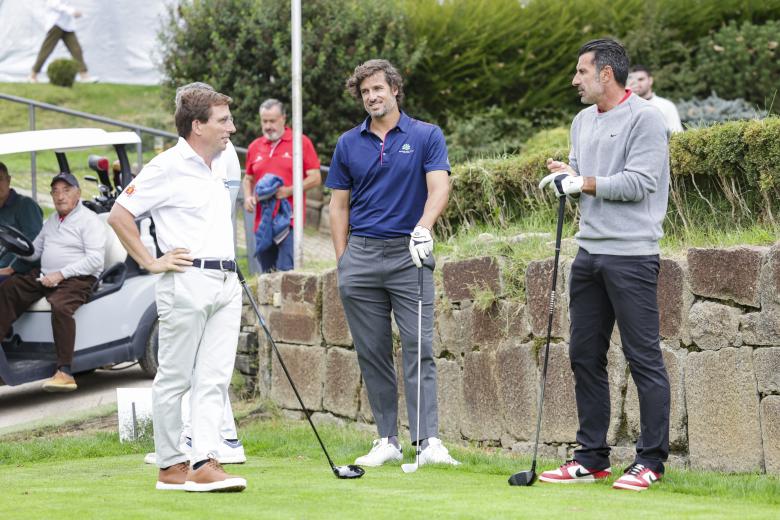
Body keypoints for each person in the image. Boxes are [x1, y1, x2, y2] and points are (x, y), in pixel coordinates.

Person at [537, 38, 671, 492]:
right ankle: (592, 458)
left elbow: (639, 182)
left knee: (643, 358)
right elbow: (580, 173)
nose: (575, 80)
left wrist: (582, 182)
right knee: (584, 355)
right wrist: (565, 174)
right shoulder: (580, 120)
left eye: (581, 71)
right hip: (589, 253)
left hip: (633, 255)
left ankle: (651, 460)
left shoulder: (645, 119)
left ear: (605, 75)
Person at [108, 83, 246, 492]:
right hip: (186, 280)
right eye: (223, 121)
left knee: (215, 378)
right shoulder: (165, 166)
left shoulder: (222, 162)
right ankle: (171, 466)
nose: (232, 129)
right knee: (175, 377)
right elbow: (119, 215)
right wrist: (151, 261)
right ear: (197, 125)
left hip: (226, 280)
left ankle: (204, 460)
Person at [326, 59, 459, 468]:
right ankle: (387, 439)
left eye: (378, 89)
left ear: (395, 89)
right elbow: (338, 206)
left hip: (410, 254)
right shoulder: (348, 143)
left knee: (419, 347)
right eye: (365, 92)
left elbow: (440, 186)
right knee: (372, 352)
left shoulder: (425, 136)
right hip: (361, 257)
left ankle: (427, 441)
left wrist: (423, 227)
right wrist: (344, 260)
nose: (372, 97)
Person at [0, 172, 105, 391]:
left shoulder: (89, 220)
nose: (60, 196)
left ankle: (65, 371)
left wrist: (61, 274)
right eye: (55, 191)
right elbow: (35, 251)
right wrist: (15, 247)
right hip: (47, 274)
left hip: (79, 277)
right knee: (9, 289)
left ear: (78, 193)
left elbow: (95, 259)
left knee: (61, 305)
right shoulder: (51, 222)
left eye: (66, 190)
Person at [242, 99, 321, 272]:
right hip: (262, 223)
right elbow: (248, 178)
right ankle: (268, 300)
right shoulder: (254, 146)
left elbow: (315, 177)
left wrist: (289, 191)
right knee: (267, 274)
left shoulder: (301, 142)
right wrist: (248, 197)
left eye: (272, 121)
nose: (268, 126)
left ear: (283, 119)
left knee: (287, 273)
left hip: (289, 220)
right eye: (264, 121)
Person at [29, 0, 97, 83]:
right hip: (56, 25)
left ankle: (84, 76)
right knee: (46, 50)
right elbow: (54, 4)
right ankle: (33, 75)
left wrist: (74, 13)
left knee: (76, 50)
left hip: (67, 25)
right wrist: (72, 11)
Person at [0, 162, 44, 283]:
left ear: (8, 180)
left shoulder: (25, 206)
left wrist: (11, 268)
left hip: (16, 272)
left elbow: (35, 247)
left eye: (0, 179)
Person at [627, 64, 683, 134]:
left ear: (650, 80)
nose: (636, 83)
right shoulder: (626, 107)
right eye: (632, 80)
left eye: (641, 79)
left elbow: (677, 134)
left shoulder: (667, 106)